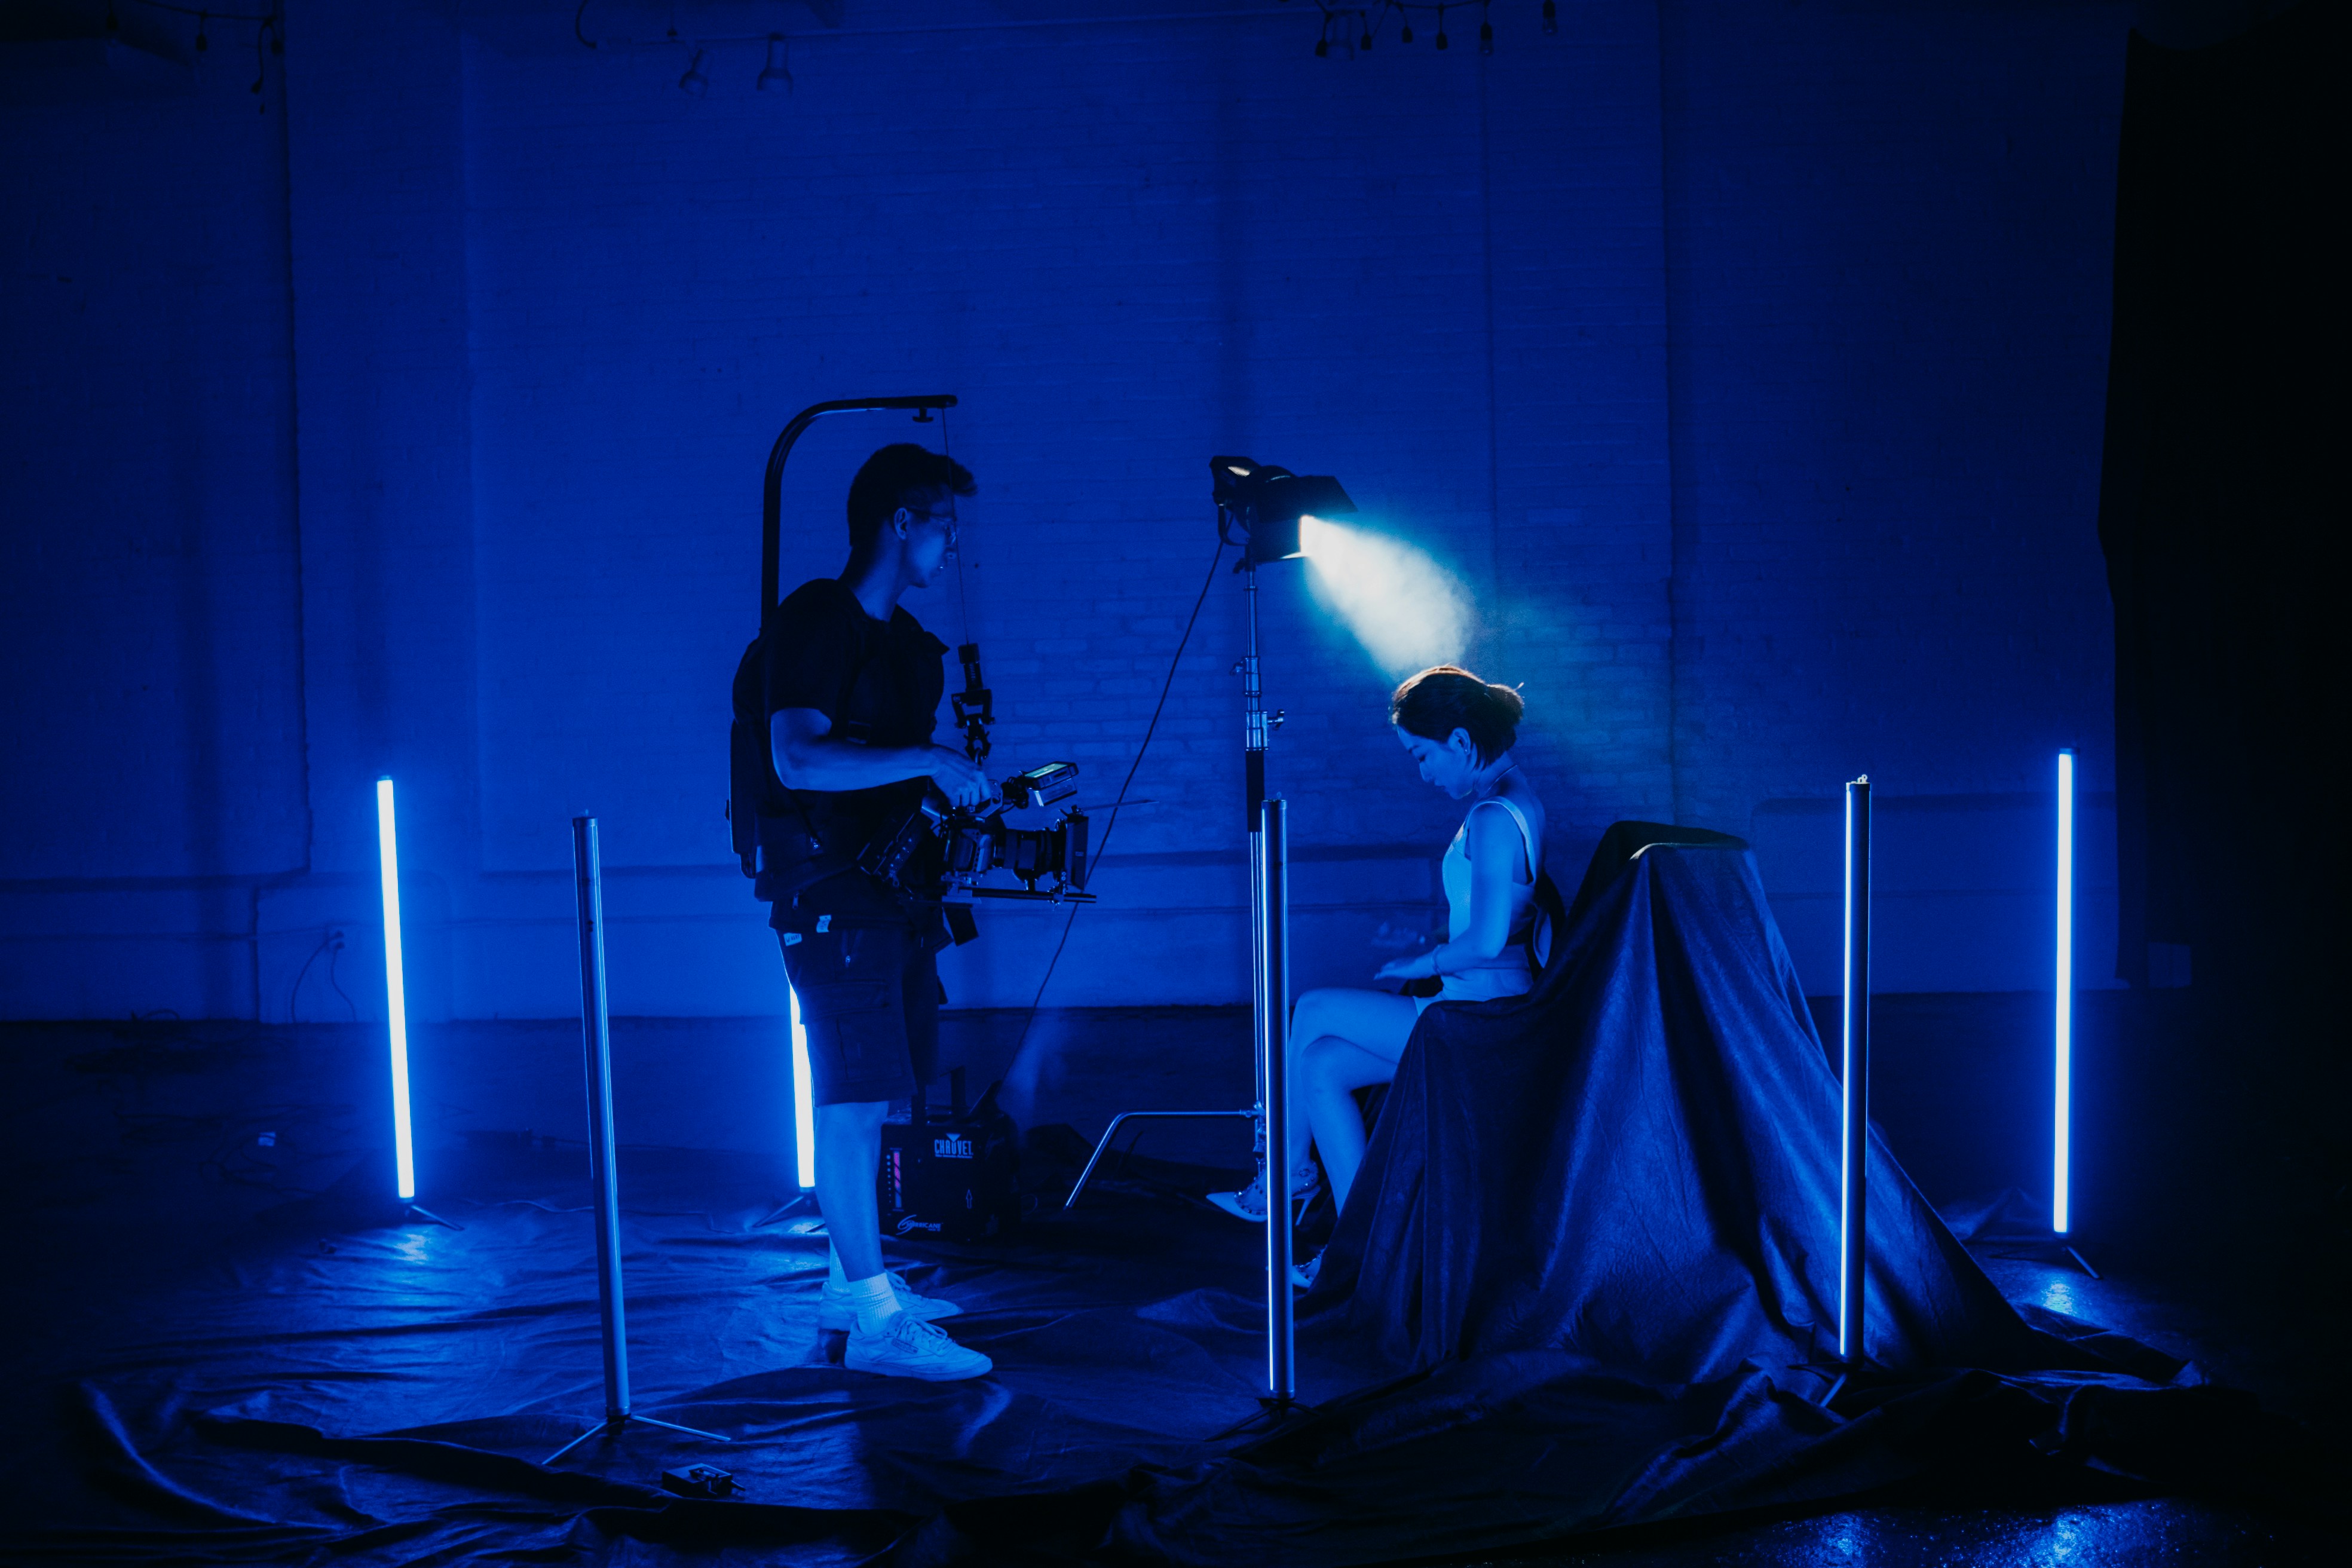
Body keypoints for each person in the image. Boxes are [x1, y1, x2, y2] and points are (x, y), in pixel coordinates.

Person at [757, 443, 996, 1381]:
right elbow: (799, 760)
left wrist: (953, 785)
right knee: (852, 1101)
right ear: (903, 523)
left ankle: (849, 1279)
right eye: (945, 527)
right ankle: (871, 1317)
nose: (952, 549)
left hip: (888, 894)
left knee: (879, 1092)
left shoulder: (902, 649)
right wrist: (933, 762)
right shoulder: (816, 622)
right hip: (829, 896)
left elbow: (885, 771)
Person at [1211, 666, 1545, 1284]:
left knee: (1311, 1008)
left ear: (1463, 743)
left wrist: (1422, 962)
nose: (1422, 772)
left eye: (1423, 755)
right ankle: (1362, 1245)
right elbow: (1496, 925)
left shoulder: (1496, 816)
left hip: (1480, 1025)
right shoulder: (1508, 799)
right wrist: (1423, 945)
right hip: (1473, 1004)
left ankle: (1283, 1179)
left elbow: (1491, 940)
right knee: (1321, 1064)